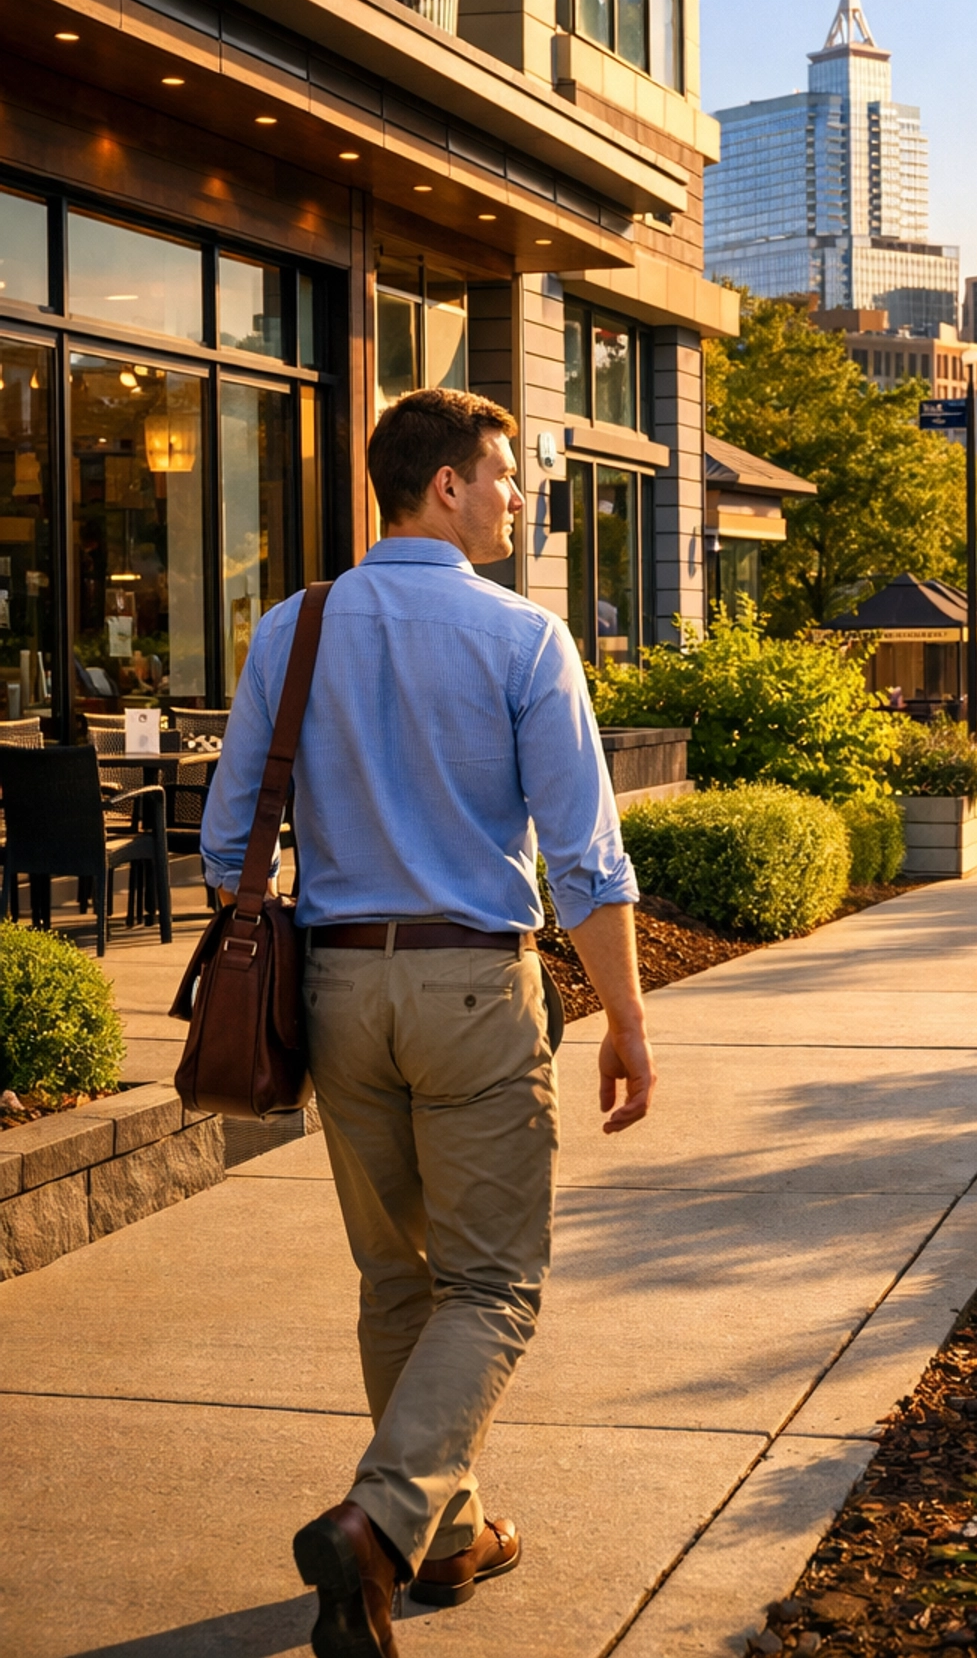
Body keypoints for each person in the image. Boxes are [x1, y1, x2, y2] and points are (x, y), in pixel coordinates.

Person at [202, 388, 654, 1658]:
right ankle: (381, 1521)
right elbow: (585, 856)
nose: (520, 496)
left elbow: (229, 837)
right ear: (444, 486)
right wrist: (625, 1017)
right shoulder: (523, 636)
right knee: (496, 1284)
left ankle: (442, 1542)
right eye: (505, 475)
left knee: (397, 1278)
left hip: (336, 992)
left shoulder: (292, 629)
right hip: (471, 987)